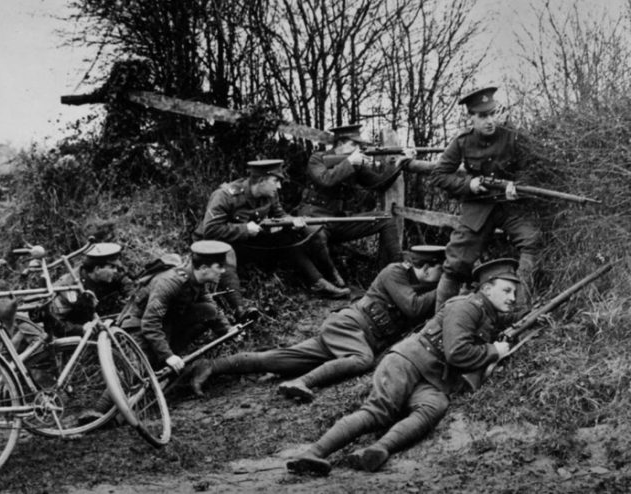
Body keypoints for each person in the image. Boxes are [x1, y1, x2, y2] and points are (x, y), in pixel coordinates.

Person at [285, 258, 518, 476]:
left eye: (515, 292)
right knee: (378, 412)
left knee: (434, 406)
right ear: (487, 289)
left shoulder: (486, 314)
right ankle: (313, 453)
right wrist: (494, 351)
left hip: (433, 376)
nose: (513, 298)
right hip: (408, 361)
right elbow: (457, 352)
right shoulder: (467, 306)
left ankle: (379, 449)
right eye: (507, 290)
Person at [189, 245, 446, 400]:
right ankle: (302, 382)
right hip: (348, 327)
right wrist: (447, 286)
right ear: (426, 268)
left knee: (279, 360)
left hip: (353, 337)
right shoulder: (395, 272)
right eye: (441, 272)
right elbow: (412, 307)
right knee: (361, 359)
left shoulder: (423, 287)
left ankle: (211, 365)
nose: (443, 278)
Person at [431, 86, 540, 311]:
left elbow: (532, 167)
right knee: (456, 262)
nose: (490, 121)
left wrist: (517, 185)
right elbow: (439, 175)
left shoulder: (513, 136)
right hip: (479, 207)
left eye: (492, 113)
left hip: (509, 206)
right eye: (482, 116)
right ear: (471, 117)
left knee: (532, 241)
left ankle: (520, 311)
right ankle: (439, 320)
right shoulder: (462, 141)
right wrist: (468, 185)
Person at [194, 159, 350, 303]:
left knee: (287, 239)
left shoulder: (270, 195)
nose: (279, 186)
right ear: (261, 181)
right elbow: (211, 230)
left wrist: (292, 221)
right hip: (217, 245)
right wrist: (245, 229)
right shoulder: (225, 195)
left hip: (248, 244)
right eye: (275, 181)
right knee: (226, 253)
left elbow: (280, 215)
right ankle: (239, 307)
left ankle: (318, 283)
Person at [296, 124, 403, 287]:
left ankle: (399, 270)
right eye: (354, 144)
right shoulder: (317, 159)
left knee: (386, 219)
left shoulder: (355, 164)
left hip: (339, 220)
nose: (358, 149)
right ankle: (332, 277)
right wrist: (349, 162)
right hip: (314, 218)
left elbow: (379, 183)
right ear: (340, 143)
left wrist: (399, 164)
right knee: (316, 234)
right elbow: (326, 180)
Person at [119, 240, 236, 373]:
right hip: (139, 326)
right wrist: (167, 356)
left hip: (165, 323)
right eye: (219, 267)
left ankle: (171, 353)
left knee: (208, 311)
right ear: (204, 268)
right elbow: (150, 322)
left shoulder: (197, 280)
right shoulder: (169, 283)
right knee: (139, 372)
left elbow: (209, 303)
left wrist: (228, 329)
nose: (223, 270)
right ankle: (164, 357)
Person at [17, 242, 134, 349]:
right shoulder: (70, 289)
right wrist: (81, 329)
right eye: (112, 267)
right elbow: (55, 324)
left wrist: (130, 299)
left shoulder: (101, 275)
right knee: (48, 352)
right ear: (98, 269)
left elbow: (123, 280)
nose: (115, 271)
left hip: (62, 319)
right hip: (34, 321)